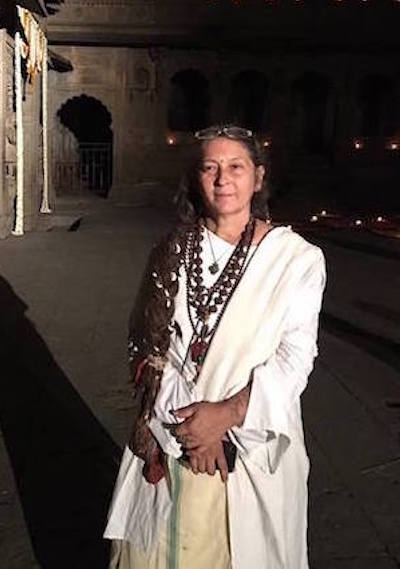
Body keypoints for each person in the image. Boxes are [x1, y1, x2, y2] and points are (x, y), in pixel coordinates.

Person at [104, 125, 326, 569]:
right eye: (210, 168)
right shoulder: (171, 250)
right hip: (171, 432)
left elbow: (295, 357)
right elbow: (147, 348)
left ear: (258, 177)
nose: (223, 179)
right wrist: (194, 429)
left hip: (250, 442)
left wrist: (225, 415)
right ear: (196, 178)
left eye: (236, 167)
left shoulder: (296, 258)